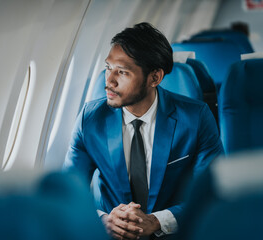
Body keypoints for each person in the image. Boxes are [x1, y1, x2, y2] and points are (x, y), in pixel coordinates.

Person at [63, 22, 223, 239]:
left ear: (154, 78)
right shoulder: (90, 118)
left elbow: (211, 192)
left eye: (122, 72)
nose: (108, 81)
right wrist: (105, 220)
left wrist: (157, 221)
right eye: (108, 68)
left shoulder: (196, 117)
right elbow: (69, 190)